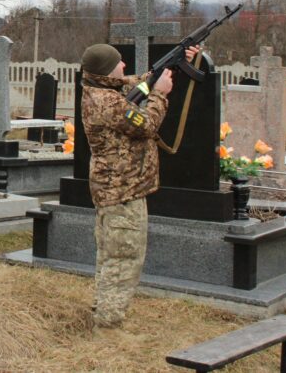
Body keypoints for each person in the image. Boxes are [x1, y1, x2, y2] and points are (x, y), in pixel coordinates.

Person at [80, 42, 198, 328]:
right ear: (108, 69)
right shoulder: (108, 102)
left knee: (111, 257)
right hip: (123, 192)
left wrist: (173, 64)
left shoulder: (99, 90)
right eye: (119, 63)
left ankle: (103, 312)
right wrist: (160, 93)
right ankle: (108, 326)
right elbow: (147, 124)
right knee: (124, 259)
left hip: (116, 190)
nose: (124, 67)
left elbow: (133, 83)